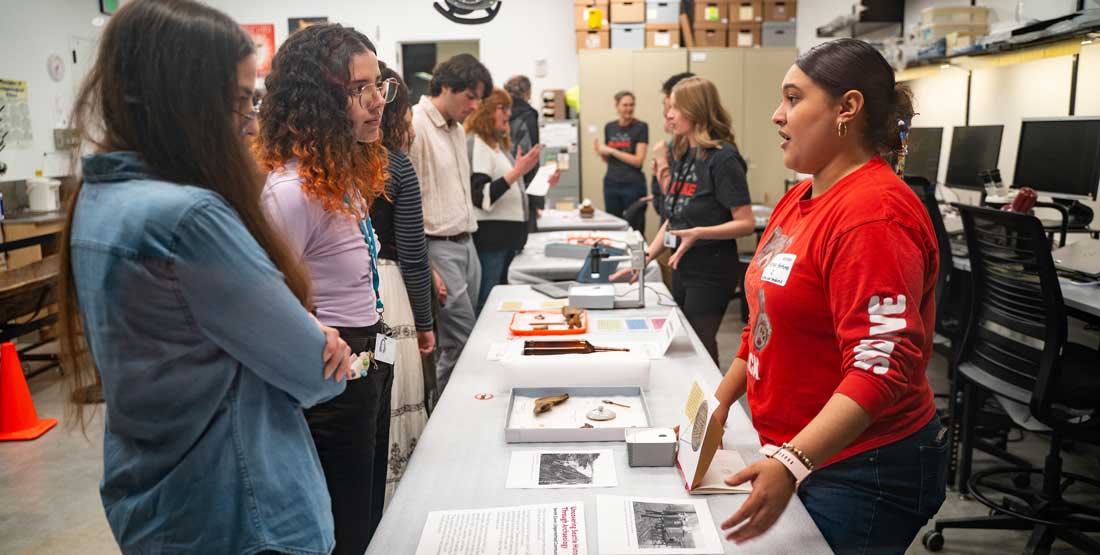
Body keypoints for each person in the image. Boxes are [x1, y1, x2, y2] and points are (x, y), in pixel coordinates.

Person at [59, 1, 352, 553]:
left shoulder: (100, 200)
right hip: (244, 513)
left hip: (159, 504)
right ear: (187, 99)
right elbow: (313, 370)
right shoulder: (190, 217)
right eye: (240, 101)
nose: (247, 123)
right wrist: (321, 343)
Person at [713, 38, 946, 553]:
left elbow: (880, 366)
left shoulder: (873, 214)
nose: (778, 115)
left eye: (794, 99)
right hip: (804, 449)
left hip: (863, 467)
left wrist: (794, 461)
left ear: (847, 108)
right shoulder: (801, 196)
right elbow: (763, 316)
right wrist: (721, 397)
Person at [255, 24, 393, 555]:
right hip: (329, 378)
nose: (378, 100)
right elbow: (268, 303)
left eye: (379, 85)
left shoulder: (337, 177)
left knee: (367, 511)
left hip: (367, 360)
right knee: (342, 525)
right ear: (320, 102)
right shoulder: (290, 193)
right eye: (361, 89)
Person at [612, 77, 755, 365]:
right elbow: (674, 217)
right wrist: (646, 259)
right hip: (682, 266)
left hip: (711, 270)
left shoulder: (723, 158)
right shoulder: (686, 153)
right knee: (685, 342)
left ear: (695, 110)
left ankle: (712, 405)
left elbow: (746, 223)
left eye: (675, 108)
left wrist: (700, 232)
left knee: (699, 345)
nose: (668, 114)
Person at [409, 53, 493, 396]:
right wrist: (425, 264)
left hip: (466, 241)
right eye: (470, 96)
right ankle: (448, 425)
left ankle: (450, 411)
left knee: (459, 341)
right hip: (437, 245)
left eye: (479, 98)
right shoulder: (416, 124)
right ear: (446, 86)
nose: (474, 105)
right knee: (461, 341)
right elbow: (405, 202)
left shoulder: (457, 129)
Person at [372, 63, 434, 503]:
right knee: (401, 405)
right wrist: (427, 322)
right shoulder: (396, 166)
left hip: (356, 295)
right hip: (393, 293)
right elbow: (414, 256)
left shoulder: (330, 164)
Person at [466, 88, 556, 313]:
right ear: (486, 112)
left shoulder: (496, 147)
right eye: (502, 108)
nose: (509, 114)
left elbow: (511, 189)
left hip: (505, 240)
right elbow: (483, 196)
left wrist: (542, 181)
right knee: (488, 302)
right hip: (492, 240)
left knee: (499, 303)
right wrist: (518, 171)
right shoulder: (479, 143)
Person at [594, 91, 648, 219]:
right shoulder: (609, 127)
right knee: (614, 223)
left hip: (633, 184)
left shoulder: (641, 127)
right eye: (625, 105)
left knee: (635, 224)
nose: (629, 108)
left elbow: (638, 160)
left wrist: (612, 151)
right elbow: (610, 160)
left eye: (632, 105)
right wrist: (601, 153)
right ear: (617, 106)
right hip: (611, 183)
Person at [650, 72, 695, 221]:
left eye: (672, 105)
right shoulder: (679, 144)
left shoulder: (712, 154)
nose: (668, 114)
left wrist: (662, 161)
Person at [504, 74, 544, 233]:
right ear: (527, 93)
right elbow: (532, 157)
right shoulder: (529, 115)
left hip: (502, 181)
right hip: (524, 185)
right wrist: (537, 200)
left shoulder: (497, 113)